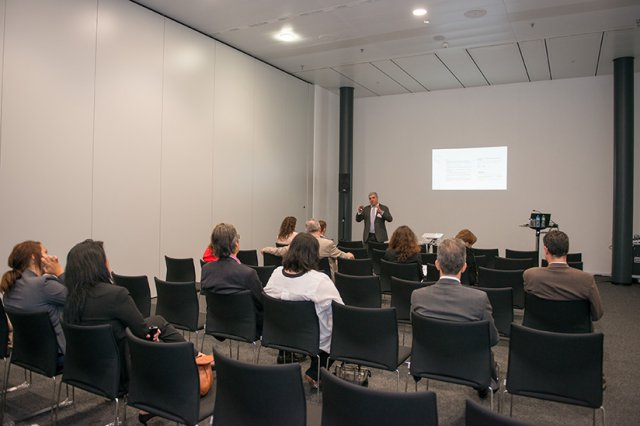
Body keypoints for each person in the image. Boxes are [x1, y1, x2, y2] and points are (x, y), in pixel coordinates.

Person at [410, 237, 498, 398]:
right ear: (464, 266)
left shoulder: (418, 295)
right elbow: (492, 339)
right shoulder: (479, 299)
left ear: (437, 264)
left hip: (428, 360)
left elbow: (416, 329)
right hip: (469, 366)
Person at [264, 233, 343, 388]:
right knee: (338, 328)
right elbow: (341, 311)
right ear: (314, 255)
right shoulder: (319, 280)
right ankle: (316, 371)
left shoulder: (276, 273)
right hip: (310, 338)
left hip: (279, 333)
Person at [1, 241, 67, 357]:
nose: (50, 257)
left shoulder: (9, 287)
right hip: (56, 356)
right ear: (33, 257)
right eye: (45, 253)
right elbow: (80, 298)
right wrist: (60, 272)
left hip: (27, 356)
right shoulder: (44, 285)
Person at [524, 230, 603, 321]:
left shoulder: (530, 275)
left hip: (538, 328)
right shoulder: (586, 279)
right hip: (575, 329)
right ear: (567, 250)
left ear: (546, 250)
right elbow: (597, 314)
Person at [201, 223, 264, 332]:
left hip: (216, 324)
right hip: (246, 328)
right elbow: (261, 302)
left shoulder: (206, 269)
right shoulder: (248, 273)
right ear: (235, 244)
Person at [263, 219, 354, 276]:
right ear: (320, 229)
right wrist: (350, 255)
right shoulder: (328, 244)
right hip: (326, 278)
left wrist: (266, 249)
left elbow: (281, 251)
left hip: (303, 276)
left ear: (306, 230)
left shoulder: (299, 241)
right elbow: (342, 256)